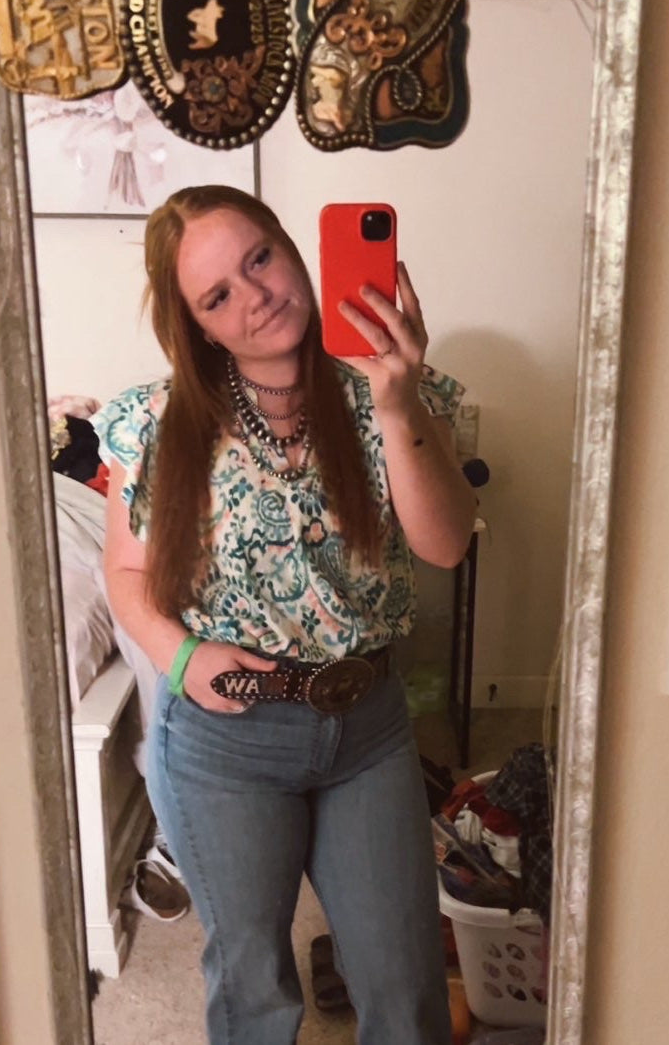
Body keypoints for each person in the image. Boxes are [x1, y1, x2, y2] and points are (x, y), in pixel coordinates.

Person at [94, 184, 476, 1045]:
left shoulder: (394, 391)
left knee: (406, 983)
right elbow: (125, 569)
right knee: (253, 989)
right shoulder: (151, 423)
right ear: (198, 326)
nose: (256, 296)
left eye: (259, 258)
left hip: (368, 727)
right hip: (226, 741)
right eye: (217, 295)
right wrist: (180, 654)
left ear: (292, 247)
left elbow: (447, 543)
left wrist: (397, 405)